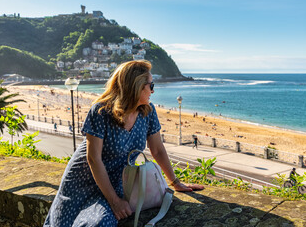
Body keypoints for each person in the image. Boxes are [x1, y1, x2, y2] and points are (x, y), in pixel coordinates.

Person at [44, 60, 204, 226]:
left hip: (118, 181)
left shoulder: (148, 111)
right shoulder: (101, 111)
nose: (153, 90)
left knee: (100, 222)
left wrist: (175, 182)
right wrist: (114, 202)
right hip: (83, 180)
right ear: (136, 86)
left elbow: (157, 150)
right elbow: (93, 159)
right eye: (151, 85)